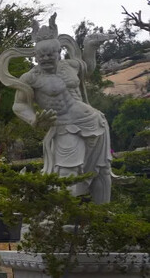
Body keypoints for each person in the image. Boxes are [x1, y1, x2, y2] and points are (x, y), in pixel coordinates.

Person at [8, 14, 112, 203]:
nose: (46, 58)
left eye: (51, 54)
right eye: (42, 56)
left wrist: (90, 46)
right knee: (67, 173)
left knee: (101, 170)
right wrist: (33, 119)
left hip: (95, 122)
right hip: (65, 126)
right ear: (36, 57)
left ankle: (101, 218)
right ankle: (61, 219)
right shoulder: (31, 78)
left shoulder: (69, 66)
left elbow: (88, 68)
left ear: (59, 53)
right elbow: (19, 104)